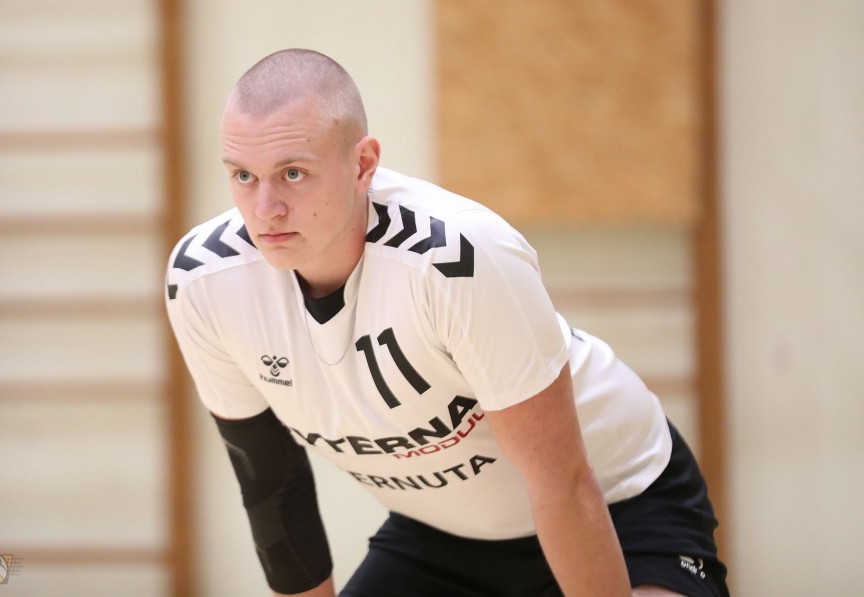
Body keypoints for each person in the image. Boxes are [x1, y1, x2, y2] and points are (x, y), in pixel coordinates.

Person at [165, 48, 728, 597]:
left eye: (293, 173)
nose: (266, 209)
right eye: (243, 175)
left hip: (618, 503)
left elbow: (564, 482)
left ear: (363, 165)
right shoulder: (203, 282)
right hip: (440, 540)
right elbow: (272, 487)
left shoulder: (457, 261)